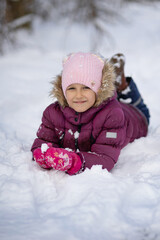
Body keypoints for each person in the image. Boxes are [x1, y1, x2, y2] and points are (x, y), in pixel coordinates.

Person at [31, 52, 150, 175]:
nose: (78, 95)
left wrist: (74, 161)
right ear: (63, 90)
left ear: (98, 89)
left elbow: (105, 157)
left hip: (136, 116)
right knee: (107, 97)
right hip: (102, 102)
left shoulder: (113, 115)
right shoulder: (53, 113)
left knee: (132, 102)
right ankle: (109, 79)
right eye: (71, 88)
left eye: (86, 88)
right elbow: (42, 142)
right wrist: (42, 154)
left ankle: (121, 83)